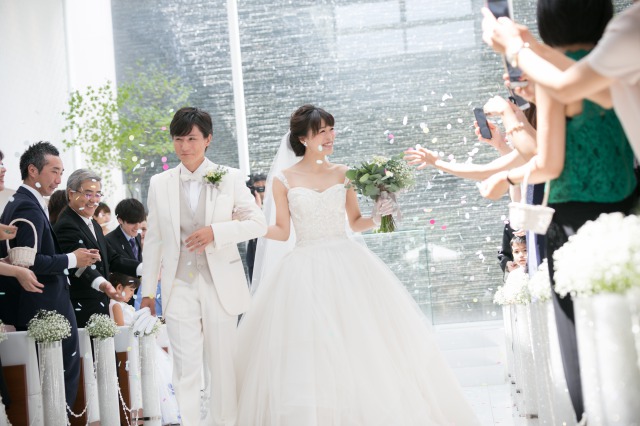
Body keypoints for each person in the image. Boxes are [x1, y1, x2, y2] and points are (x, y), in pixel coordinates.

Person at [235, 105, 479, 425]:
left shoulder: (344, 173)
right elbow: (281, 231)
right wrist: (250, 226)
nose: (329, 137)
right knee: (312, 348)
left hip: (347, 262)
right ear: (303, 138)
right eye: (321, 131)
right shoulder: (284, 180)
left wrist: (378, 215)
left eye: (331, 129)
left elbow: (354, 222)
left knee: (364, 343)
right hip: (304, 269)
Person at [478, 0, 638, 420]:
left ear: (547, 23)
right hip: (625, 208)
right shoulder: (617, 65)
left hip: (572, 220)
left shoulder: (552, 78)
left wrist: (504, 179)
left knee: (580, 336)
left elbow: (549, 163)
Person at [136, 107, 266, 425]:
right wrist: (148, 293)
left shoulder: (229, 177)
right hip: (179, 284)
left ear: (208, 139)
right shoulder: (160, 183)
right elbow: (154, 241)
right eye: (178, 139)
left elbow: (258, 223)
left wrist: (216, 232)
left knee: (223, 367)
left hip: (220, 284)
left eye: (192, 139)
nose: (184, 146)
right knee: (185, 369)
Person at [0, 142, 100, 406]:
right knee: (57, 380)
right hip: (43, 304)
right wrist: (72, 258)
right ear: (33, 170)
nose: (58, 180)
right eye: (54, 171)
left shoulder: (24, 202)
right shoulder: (26, 206)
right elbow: (27, 262)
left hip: (42, 303)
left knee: (55, 380)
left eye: (61, 172)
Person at [481, 0, 640, 158]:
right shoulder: (621, 43)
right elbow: (607, 97)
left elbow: (566, 90)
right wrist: (532, 48)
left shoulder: (632, 26)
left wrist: (513, 47)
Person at [54, 169, 140, 328]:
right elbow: (80, 266)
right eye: (88, 194)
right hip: (82, 309)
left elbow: (113, 259)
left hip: (100, 307)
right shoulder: (66, 224)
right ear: (71, 194)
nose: (93, 200)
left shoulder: (93, 224)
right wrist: (103, 284)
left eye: (98, 194)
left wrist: (143, 268)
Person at [108, 272, 180, 423]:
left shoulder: (125, 306)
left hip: (139, 343)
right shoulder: (115, 305)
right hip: (131, 346)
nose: (132, 294)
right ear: (119, 287)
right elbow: (121, 328)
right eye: (130, 290)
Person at [105, 198, 145, 306]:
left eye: (139, 221)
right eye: (132, 222)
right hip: (120, 299)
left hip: (137, 296)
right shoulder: (108, 241)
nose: (137, 226)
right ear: (120, 220)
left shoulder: (137, 236)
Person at [244, 172, 267, 282]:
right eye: (258, 188)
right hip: (253, 253)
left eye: (264, 188)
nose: (261, 192)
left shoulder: (277, 206)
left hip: (272, 253)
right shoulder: (247, 207)